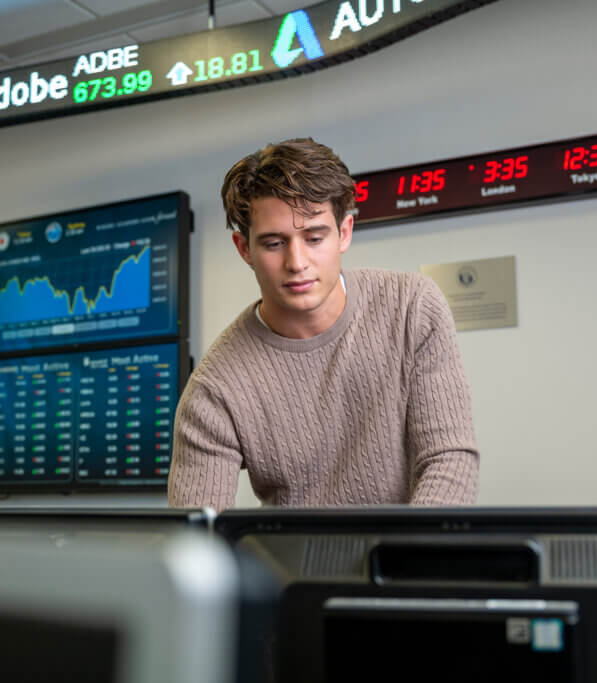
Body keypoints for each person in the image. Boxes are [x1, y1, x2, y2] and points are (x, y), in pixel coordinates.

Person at [167, 138, 478, 511]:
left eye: (314, 238)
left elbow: (449, 460)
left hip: (408, 558)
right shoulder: (215, 387)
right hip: (292, 567)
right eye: (273, 243)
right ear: (243, 249)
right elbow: (197, 539)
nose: (297, 262)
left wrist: (403, 558)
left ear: (344, 232)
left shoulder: (413, 307)